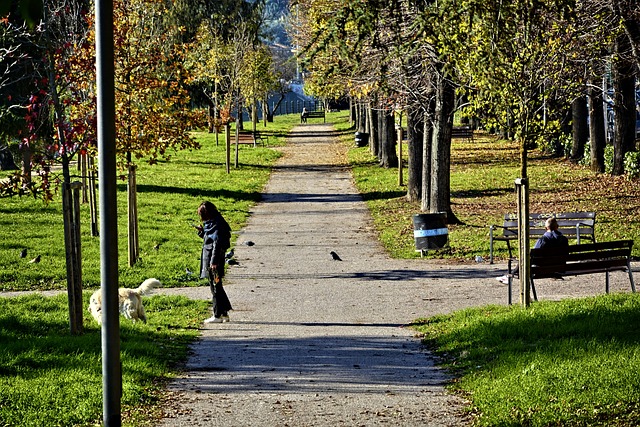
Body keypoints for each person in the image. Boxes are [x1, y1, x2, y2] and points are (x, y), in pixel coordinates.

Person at [496, 217, 569, 284]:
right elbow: (566, 255)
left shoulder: (543, 240)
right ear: (557, 227)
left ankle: (510, 275)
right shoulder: (564, 240)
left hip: (542, 270)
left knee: (525, 258)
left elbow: (533, 254)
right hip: (560, 269)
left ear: (546, 228)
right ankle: (510, 275)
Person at [196, 201, 233, 323]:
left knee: (215, 287)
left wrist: (213, 262)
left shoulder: (217, 226)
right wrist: (202, 232)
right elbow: (210, 239)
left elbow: (216, 244)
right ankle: (224, 313)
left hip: (214, 262)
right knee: (217, 286)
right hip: (214, 260)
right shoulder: (214, 223)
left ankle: (217, 315)